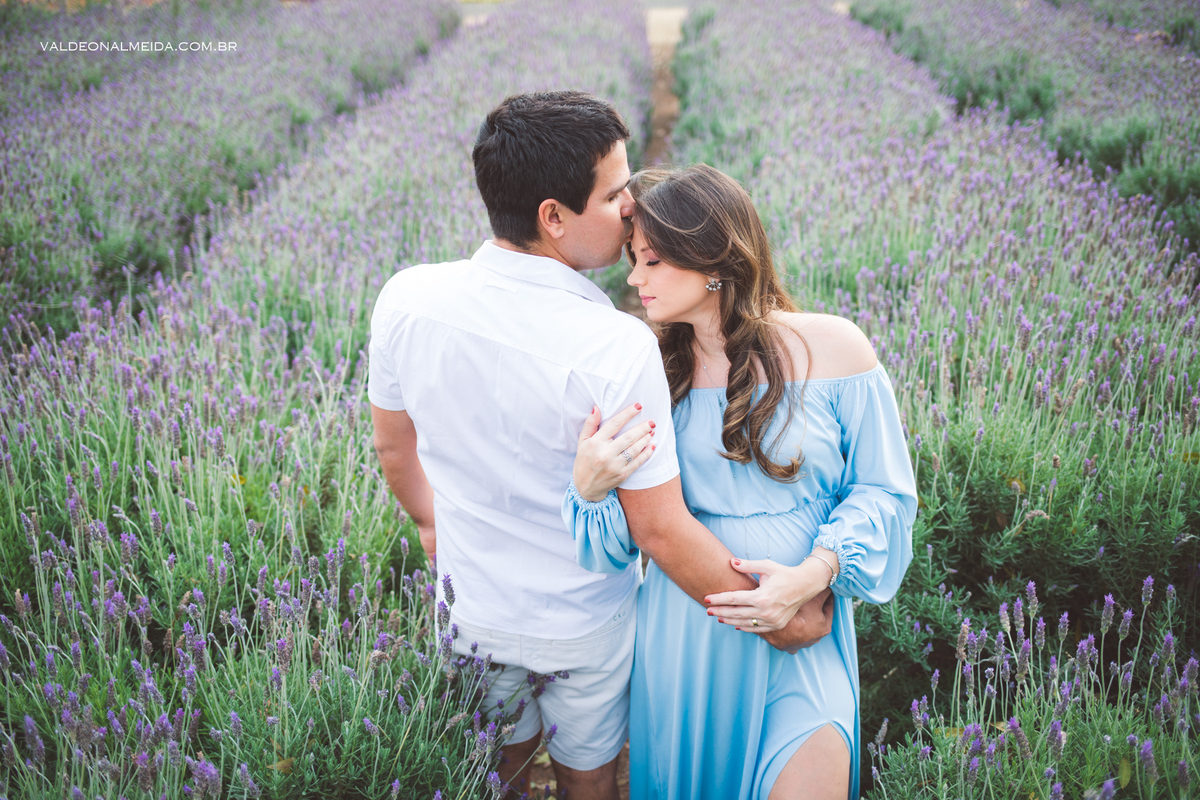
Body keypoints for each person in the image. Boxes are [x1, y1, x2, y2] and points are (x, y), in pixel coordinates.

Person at [368, 92, 833, 800]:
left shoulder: (406, 298)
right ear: (553, 217)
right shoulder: (615, 345)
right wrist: (780, 617)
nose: (629, 208)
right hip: (582, 625)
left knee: (505, 776)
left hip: (471, 613)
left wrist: (435, 526)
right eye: (615, 193)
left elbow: (396, 451)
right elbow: (659, 526)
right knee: (592, 781)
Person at [563, 164, 917, 800]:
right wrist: (588, 490)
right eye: (633, 261)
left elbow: (884, 493)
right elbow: (625, 539)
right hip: (691, 635)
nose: (633, 278)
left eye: (650, 261)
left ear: (713, 260)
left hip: (806, 625)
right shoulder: (646, 373)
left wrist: (811, 576)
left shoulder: (833, 348)